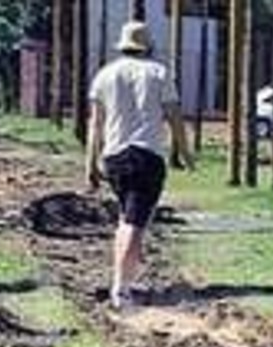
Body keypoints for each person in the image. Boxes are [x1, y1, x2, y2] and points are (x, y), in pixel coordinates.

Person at [86, 20, 193, 311]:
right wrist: (184, 152)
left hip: (114, 158)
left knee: (126, 218)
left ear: (122, 46)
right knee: (134, 224)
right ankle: (120, 288)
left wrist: (91, 165)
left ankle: (124, 279)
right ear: (148, 46)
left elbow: (95, 124)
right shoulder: (159, 73)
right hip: (147, 157)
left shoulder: (104, 75)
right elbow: (174, 117)